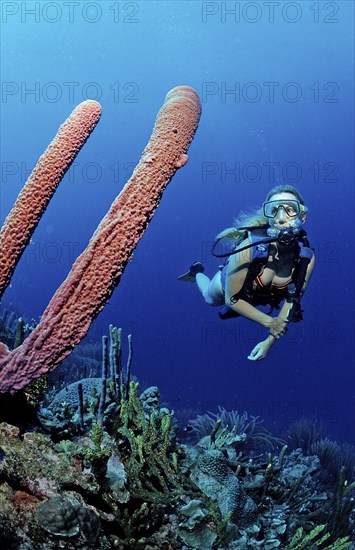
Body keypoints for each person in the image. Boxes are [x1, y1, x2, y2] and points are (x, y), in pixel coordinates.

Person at [178, 185, 315, 361]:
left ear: (302, 215)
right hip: (230, 287)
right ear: (268, 216)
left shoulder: (305, 260)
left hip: (260, 295)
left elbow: (292, 301)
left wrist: (268, 343)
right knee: (210, 299)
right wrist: (269, 322)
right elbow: (231, 299)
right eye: (273, 210)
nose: (281, 218)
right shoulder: (248, 248)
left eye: (290, 210)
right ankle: (196, 271)